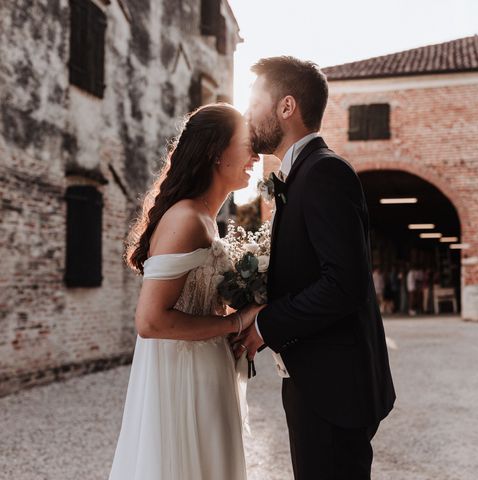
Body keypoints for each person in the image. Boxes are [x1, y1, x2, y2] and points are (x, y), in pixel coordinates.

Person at [236, 56, 396, 480]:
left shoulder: (325, 172)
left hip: (336, 389)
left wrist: (265, 326)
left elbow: (345, 284)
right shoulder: (301, 175)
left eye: (255, 103)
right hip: (316, 380)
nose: (248, 113)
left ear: (286, 107)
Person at [109, 104, 263, 480]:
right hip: (184, 377)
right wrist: (237, 321)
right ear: (216, 152)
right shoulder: (186, 219)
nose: (256, 156)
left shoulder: (206, 219)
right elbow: (150, 321)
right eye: (246, 145)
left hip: (209, 369)